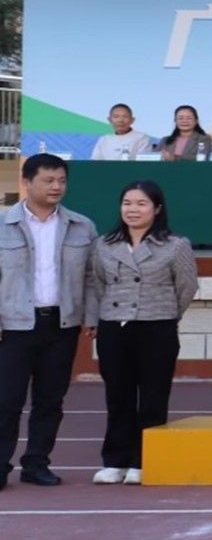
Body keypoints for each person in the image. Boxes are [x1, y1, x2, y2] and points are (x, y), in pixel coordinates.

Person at [90, 181, 198, 485]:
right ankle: (115, 460)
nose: (133, 210)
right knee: (118, 396)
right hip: (114, 326)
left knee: (153, 397)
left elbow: (186, 286)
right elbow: (98, 282)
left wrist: (165, 313)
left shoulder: (176, 245)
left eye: (141, 203)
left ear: (157, 209)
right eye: (127, 203)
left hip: (157, 326)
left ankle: (143, 460)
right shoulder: (104, 244)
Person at [0, 154, 98, 489]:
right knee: (6, 401)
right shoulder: (3, 225)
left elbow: (91, 277)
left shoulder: (82, 226)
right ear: (27, 182)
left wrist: (90, 316)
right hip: (12, 326)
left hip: (61, 325)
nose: (56, 187)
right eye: (48, 180)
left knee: (50, 401)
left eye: (62, 181)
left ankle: (37, 464)